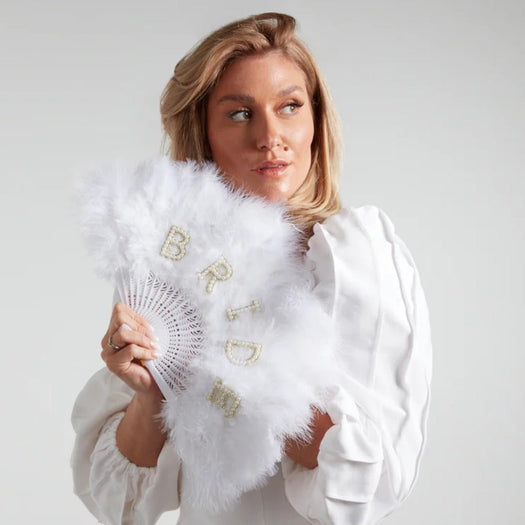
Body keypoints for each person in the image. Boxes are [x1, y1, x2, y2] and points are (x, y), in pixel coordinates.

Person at [71, 12, 432, 525]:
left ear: (316, 121)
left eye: (289, 107)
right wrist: (153, 392)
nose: (269, 136)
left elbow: (369, 485)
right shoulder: (167, 265)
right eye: (240, 114)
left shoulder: (353, 254)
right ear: (204, 132)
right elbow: (120, 503)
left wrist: (242, 367)